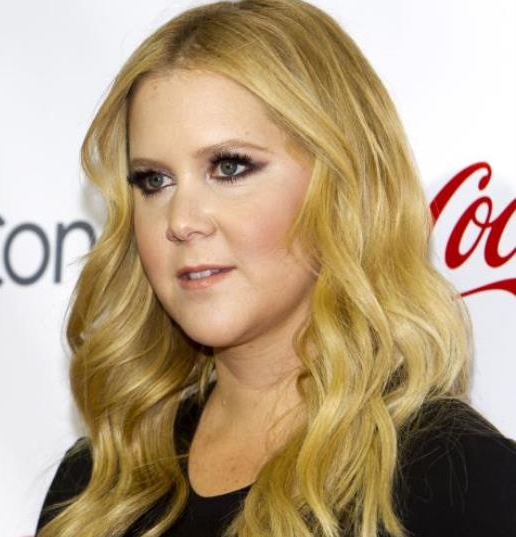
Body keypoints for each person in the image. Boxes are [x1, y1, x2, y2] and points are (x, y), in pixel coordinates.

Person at [35, 1, 516, 536]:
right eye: (153, 181)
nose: (181, 221)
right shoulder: (98, 484)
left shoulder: (462, 482)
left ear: (342, 188)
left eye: (229, 167)